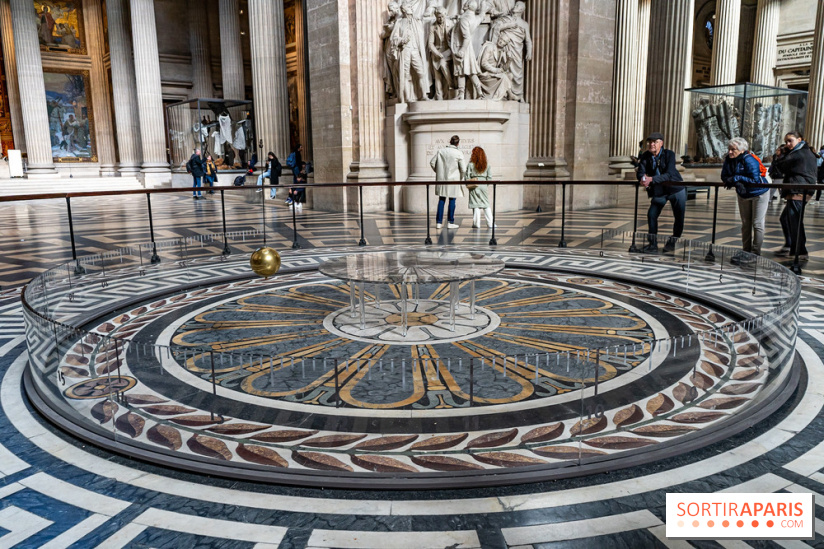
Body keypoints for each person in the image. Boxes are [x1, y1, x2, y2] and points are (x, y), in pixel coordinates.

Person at [720, 138, 770, 263]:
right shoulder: (728, 159)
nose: (730, 152)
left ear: (742, 150)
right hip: (743, 194)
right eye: (729, 149)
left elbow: (756, 180)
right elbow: (724, 176)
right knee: (745, 223)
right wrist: (736, 181)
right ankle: (745, 251)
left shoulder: (749, 159)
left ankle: (755, 253)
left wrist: (737, 178)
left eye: (733, 150)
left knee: (757, 223)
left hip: (759, 193)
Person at [637, 132, 686, 254]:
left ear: (661, 143)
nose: (651, 144)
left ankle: (672, 242)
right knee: (651, 214)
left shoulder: (669, 154)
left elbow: (669, 174)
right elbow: (640, 172)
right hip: (660, 191)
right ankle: (652, 244)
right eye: (650, 142)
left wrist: (651, 179)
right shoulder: (645, 156)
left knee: (679, 217)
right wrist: (642, 179)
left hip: (676, 189)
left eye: (655, 142)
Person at [772, 131, 817, 260]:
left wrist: (779, 156)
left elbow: (781, 168)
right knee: (786, 219)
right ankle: (790, 245)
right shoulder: (802, 151)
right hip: (798, 188)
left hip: (798, 189)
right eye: (786, 141)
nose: (787, 144)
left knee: (794, 220)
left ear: (799, 139)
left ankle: (800, 251)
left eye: (790, 140)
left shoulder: (799, 154)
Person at [430, 135, 467, 229]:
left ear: (450, 142)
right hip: (454, 180)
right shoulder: (458, 153)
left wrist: (439, 172)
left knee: (441, 200)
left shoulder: (441, 151)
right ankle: (450, 222)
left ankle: (439, 222)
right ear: (458, 143)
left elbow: (432, 162)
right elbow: (463, 169)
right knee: (452, 200)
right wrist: (460, 178)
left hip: (442, 180)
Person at [465, 146, 494, 228]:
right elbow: (489, 177)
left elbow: (467, 177)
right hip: (484, 185)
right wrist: (485, 185)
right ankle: (490, 223)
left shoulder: (470, 165)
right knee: (486, 204)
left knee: (475, 204)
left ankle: (476, 223)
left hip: (474, 185)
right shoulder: (487, 165)